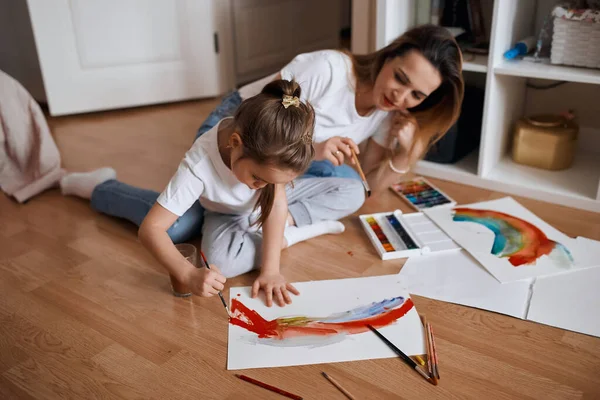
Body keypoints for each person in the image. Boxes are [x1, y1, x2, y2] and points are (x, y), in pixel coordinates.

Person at [60, 80, 365, 307]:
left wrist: (271, 270)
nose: (262, 185)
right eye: (258, 178)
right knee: (199, 246)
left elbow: (275, 203)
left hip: (255, 212)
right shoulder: (199, 164)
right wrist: (188, 274)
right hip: (222, 211)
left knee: (353, 192)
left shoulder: (273, 156)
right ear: (235, 143)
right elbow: (151, 229)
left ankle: (283, 235)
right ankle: (101, 186)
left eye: (269, 181)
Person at [205, 24, 464, 194]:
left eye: (416, 95)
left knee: (350, 186)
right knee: (187, 221)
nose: (400, 97)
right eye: (400, 78)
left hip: (280, 162)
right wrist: (314, 150)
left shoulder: (389, 113)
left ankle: (271, 216)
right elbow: (264, 121)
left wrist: (404, 155)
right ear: (387, 57)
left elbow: (367, 186)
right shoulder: (328, 69)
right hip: (237, 131)